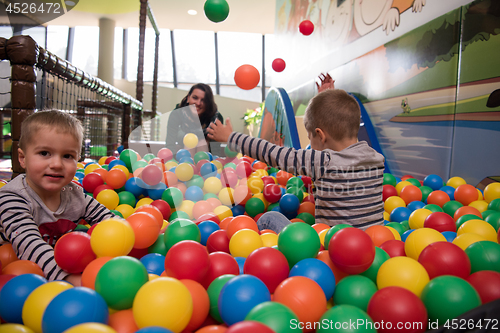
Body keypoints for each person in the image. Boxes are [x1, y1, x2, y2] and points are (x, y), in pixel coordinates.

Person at [207, 88, 385, 231]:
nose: (310, 144)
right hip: (374, 245)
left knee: (269, 218)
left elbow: (272, 152)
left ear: (320, 135)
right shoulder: (376, 159)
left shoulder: (323, 162)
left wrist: (231, 137)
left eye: (310, 138)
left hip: (333, 247)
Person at [0, 110, 115, 285]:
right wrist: (69, 279)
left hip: (58, 263)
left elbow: (110, 222)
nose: (56, 164)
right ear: (22, 158)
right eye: (45, 153)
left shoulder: (74, 194)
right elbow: (29, 244)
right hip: (17, 271)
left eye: (68, 156)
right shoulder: (12, 198)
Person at [166, 83, 224, 156]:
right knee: (190, 141)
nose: (198, 103)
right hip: (184, 138)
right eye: (195, 98)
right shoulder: (177, 113)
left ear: (208, 103)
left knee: (202, 142)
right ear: (188, 98)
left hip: (205, 143)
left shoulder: (216, 118)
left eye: (203, 100)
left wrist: (214, 163)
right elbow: (170, 143)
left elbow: (215, 148)